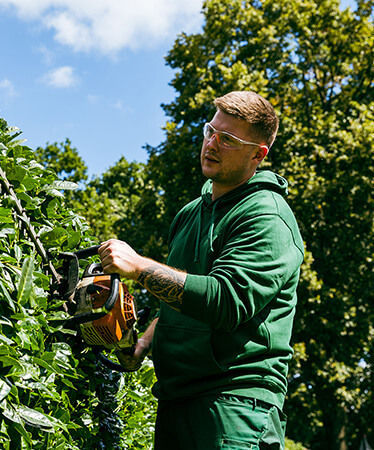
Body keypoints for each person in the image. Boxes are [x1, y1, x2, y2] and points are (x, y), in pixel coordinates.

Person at [97, 91, 304, 449]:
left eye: (228, 140)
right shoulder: (190, 213)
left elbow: (225, 300)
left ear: (258, 154)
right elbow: (186, 295)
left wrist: (140, 267)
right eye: (211, 131)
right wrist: (144, 342)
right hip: (176, 402)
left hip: (235, 408)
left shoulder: (266, 215)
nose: (212, 143)